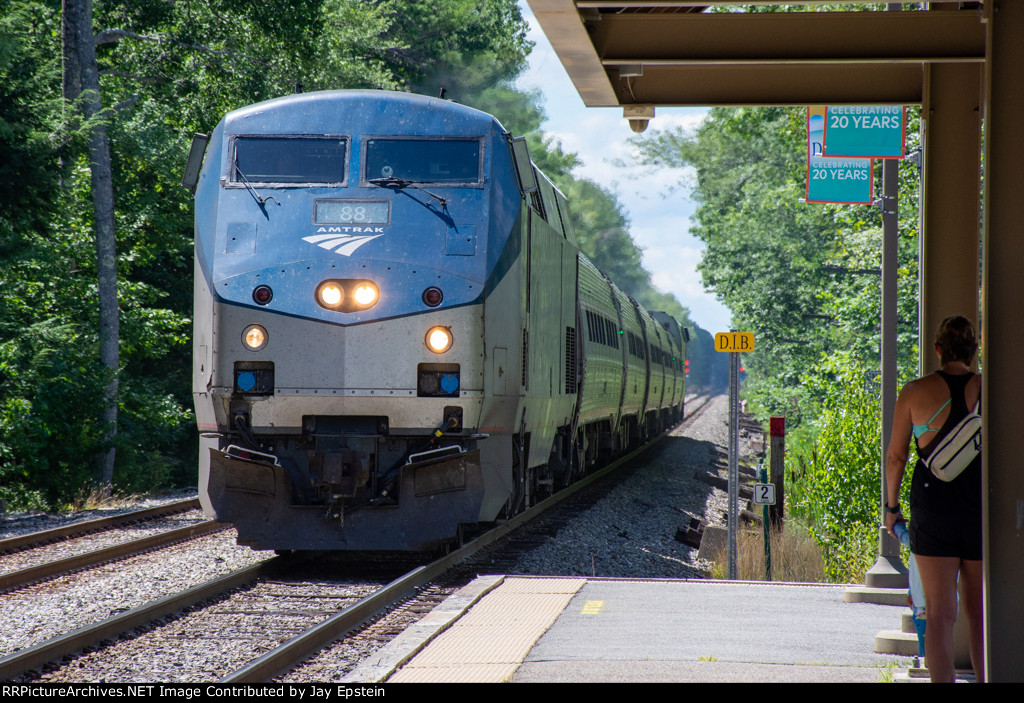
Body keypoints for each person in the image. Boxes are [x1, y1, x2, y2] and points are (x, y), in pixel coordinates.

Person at [885, 315, 983, 683]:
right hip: (977, 510)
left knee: (941, 615)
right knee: (978, 612)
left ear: (938, 350)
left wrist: (892, 508)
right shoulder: (987, 390)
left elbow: (896, 457)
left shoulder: (915, 392)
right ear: (974, 351)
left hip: (933, 509)